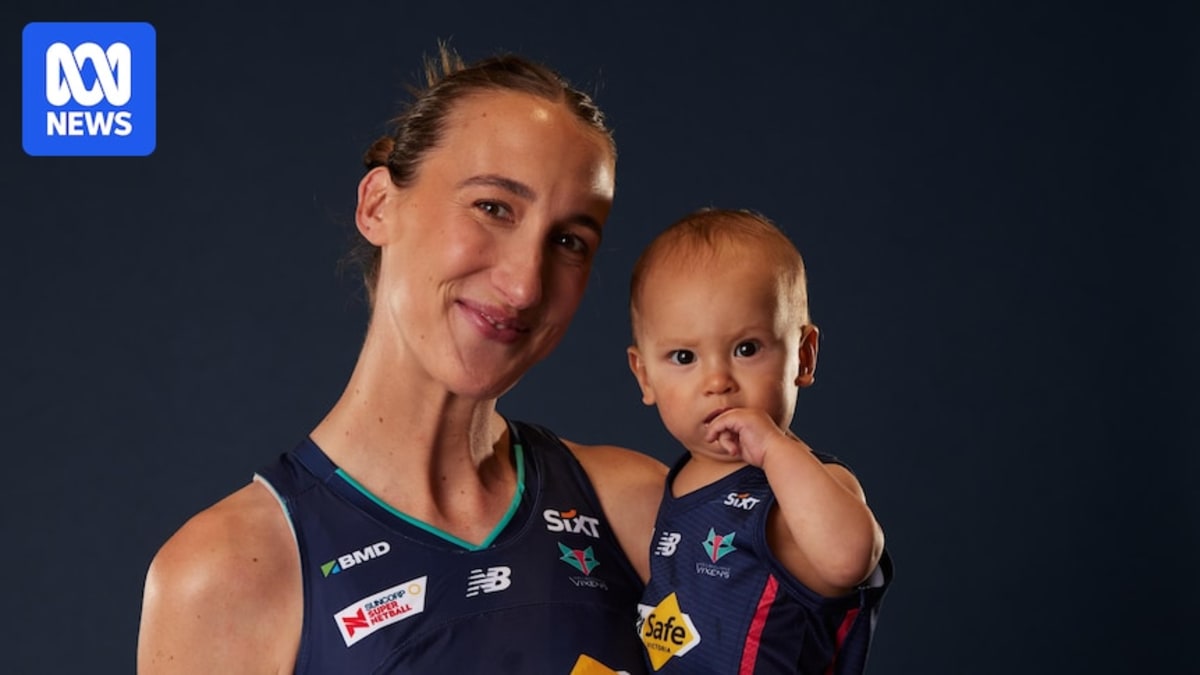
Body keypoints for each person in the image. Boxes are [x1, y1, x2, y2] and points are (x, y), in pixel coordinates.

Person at [137, 45, 667, 675]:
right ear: (378, 205)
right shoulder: (226, 573)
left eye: (569, 240)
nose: (526, 284)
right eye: (493, 207)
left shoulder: (639, 509)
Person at [626, 209, 892, 674]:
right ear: (645, 376)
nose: (717, 380)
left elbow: (851, 558)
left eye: (746, 349)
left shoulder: (808, 483)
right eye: (684, 357)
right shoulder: (677, 483)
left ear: (803, 357)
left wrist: (773, 449)